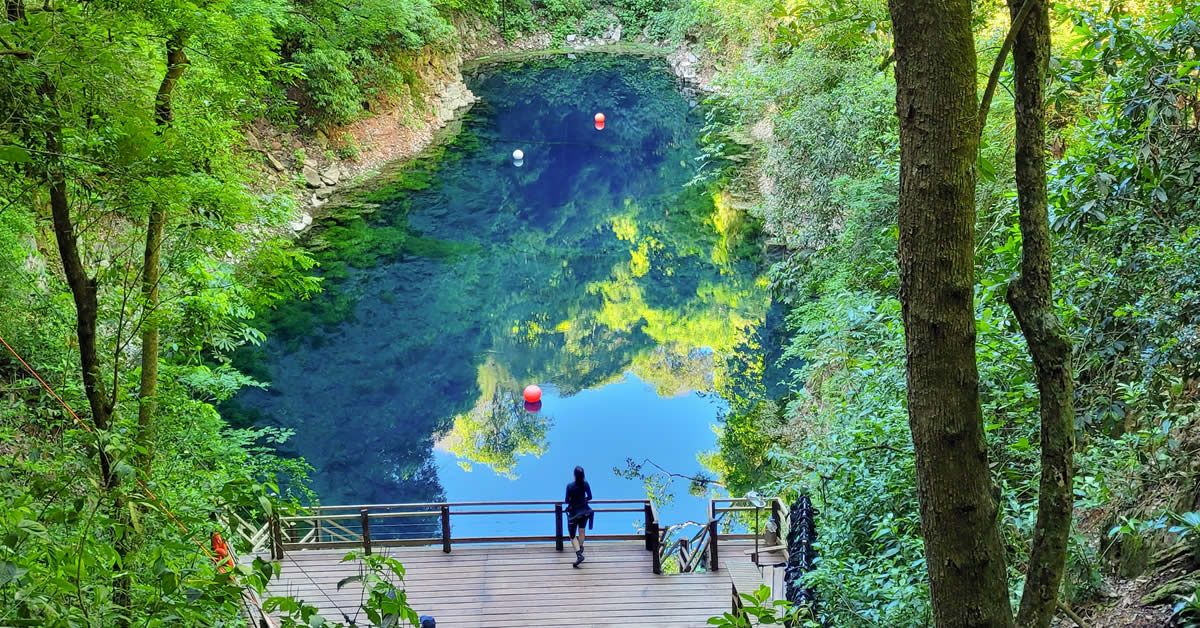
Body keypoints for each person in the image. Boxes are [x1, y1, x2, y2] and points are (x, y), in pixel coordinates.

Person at [564, 465, 593, 568]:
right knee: (581, 530)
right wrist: (582, 500)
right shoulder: (585, 484)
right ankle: (580, 547)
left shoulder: (569, 486)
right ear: (583, 475)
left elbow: (566, 501)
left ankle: (579, 554)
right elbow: (590, 497)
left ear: (574, 475)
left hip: (574, 513)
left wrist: (574, 501)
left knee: (572, 535)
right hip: (585, 511)